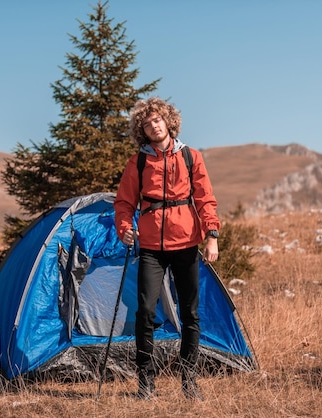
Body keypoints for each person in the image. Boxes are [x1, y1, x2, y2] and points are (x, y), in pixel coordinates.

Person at [114, 97, 220, 400]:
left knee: (190, 314)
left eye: (157, 120)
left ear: (168, 121)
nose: (153, 126)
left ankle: (190, 382)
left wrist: (211, 235)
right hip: (149, 247)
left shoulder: (191, 157)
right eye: (146, 124)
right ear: (142, 131)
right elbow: (124, 203)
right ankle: (145, 384)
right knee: (145, 311)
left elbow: (205, 199)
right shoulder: (138, 162)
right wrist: (124, 228)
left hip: (187, 242)